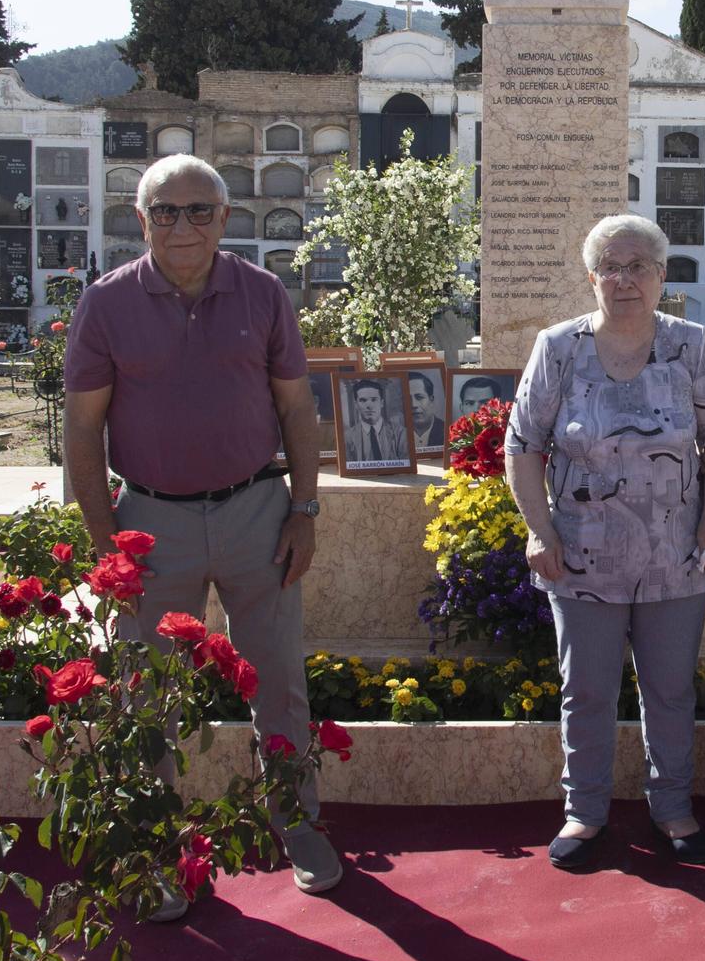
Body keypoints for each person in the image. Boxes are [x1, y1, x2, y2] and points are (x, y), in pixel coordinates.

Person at [63, 153, 343, 911]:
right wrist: (104, 541)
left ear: (224, 218)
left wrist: (305, 510)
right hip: (151, 521)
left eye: (197, 210)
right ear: (140, 217)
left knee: (279, 678)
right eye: (165, 210)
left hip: (257, 510)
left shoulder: (262, 293)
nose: (181, 224)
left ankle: (299, 822)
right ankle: (156, 845)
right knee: (147, 691)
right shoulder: (106, 304)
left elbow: (296, 409)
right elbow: (84, 431)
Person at [504, 214, 705, 869]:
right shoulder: (558, 347)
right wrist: (537, 530)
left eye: (639, 266)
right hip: (579, 555)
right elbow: (522, 445)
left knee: (668, 688)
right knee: (587, 689)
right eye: (611, 264)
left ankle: (673, 808)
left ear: (663, 277)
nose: (624, 278)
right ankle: (585, 811)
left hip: (675, 554)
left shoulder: (690, 345)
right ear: (591, 277)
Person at [341, 377, 407, 465]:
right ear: (356, 405)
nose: (369, 405)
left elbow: (405, 463)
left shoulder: (400, 433)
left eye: (374, 399)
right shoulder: (348, 437)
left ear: (382, 403)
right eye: (363, 400)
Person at [408, 370, 447, 451]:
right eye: (407, 398)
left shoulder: (447, 431)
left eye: (419, 397)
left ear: (431, 399)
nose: (413, 405)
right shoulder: (396, 436)